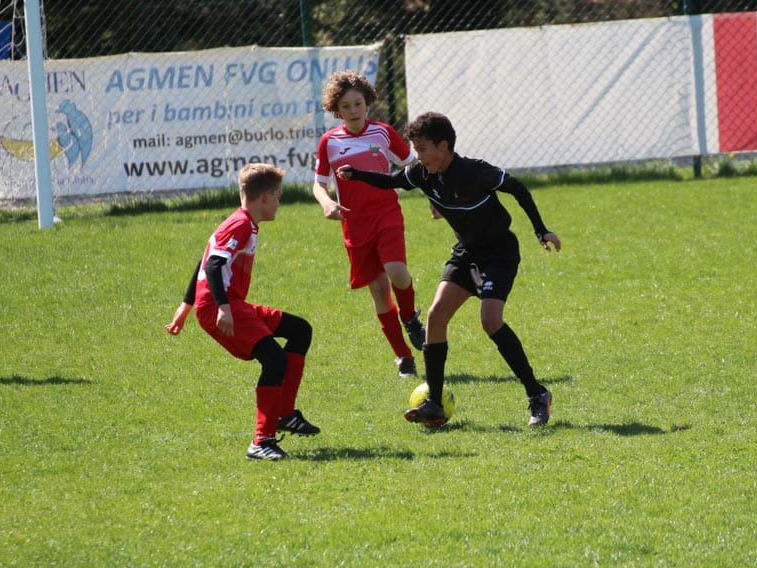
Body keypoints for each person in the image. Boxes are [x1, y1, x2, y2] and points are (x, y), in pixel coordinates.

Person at [336, 111, 562, 427]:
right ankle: (434, 404)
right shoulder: (422, 174)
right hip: (466, 253)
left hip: (498, 254)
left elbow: (517, 188)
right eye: (415, 149)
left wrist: (541, 230)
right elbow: (391, 181)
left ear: (443, 146)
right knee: (436, 316)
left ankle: (537, 394)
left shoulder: (475, 171)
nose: (417, 156)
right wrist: (356, 174)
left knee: (490, 321)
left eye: (423, 149)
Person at [165, 163, 320, 461]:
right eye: (278, 197)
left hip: (230, 303)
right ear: (265, 196)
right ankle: (262, 440)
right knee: (274, 359)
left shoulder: (243, 222)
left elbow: (206, 258)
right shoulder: (240, 224)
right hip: (220, 306)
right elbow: (213, 266)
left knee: (300, 330)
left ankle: (284, 413)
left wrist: (185, 306)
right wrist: (222, 308)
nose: (279, 203)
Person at [312, 70, 425, 378]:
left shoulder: (383, 133)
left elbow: (413, 165)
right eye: (346, 106)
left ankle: (410, 317)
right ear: (336, 109)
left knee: (396, 271)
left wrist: (435, 197)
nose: (353, 110)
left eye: (358, 103)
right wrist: (327, 203)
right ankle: (403, 356)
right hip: (354, 223)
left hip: (386, 213)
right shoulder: (329, 142)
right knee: (378, 289)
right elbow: (318, 184)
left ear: (367, 102)